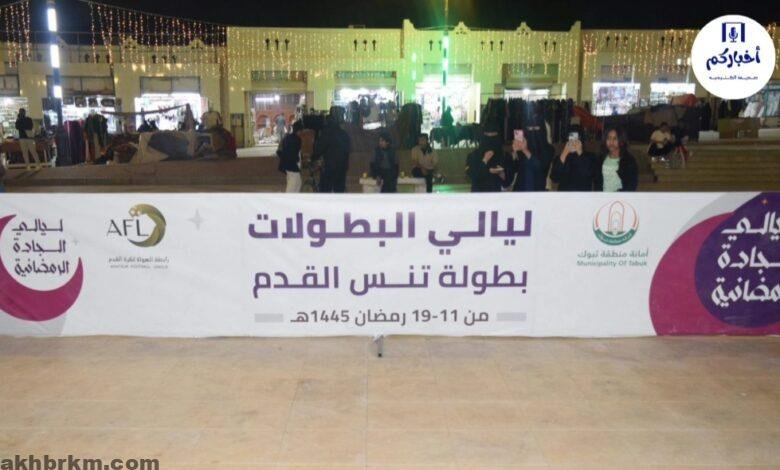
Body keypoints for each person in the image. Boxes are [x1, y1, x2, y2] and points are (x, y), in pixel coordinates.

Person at [505, 127, 553, 192]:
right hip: (519, 190)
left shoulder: (549, 149)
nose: (532, 131)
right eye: (529, 128)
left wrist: (525, 150)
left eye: (536, 128)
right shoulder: (524, 145)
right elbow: (515, 168)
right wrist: (514, 152)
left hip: (536, 190)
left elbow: (541, 167)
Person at [314, 114, 351, 193]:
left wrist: (313, 157)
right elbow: (348, 149)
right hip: (342, 167)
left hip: (330, 167)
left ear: (327, 122)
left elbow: (319, 148)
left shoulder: (326, 133)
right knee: (339, 190)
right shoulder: (344, 133)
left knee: (325, 190)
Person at [595, 127, 638, 192]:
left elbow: (631, 185)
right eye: (608, 138)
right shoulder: (600, 159)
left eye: (615, 138)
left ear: (621, 141)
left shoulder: (629, 161)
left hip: (620, 197)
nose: (611, 142)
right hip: (602, 197)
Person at [466, 126, 508, 192]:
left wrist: (503, 175)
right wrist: (484, 161)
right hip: (478, 194)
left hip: (496, 195)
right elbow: (471, 175)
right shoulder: (473, 156)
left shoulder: (504, 155)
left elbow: (508, 183)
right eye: (487, 136)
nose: (490, 140)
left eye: (493, 136)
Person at [277, 121, 303, 192]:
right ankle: (287, 198)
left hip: (286, 164)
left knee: (297, 183)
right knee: (292, 186)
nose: (302, 133)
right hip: (292, 166)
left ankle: (293, 198)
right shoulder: (296, 139)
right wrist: (297, 160)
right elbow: (293, 153)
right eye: (301, 131)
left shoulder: (288, 137)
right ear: (299, 130)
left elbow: (279, 151)